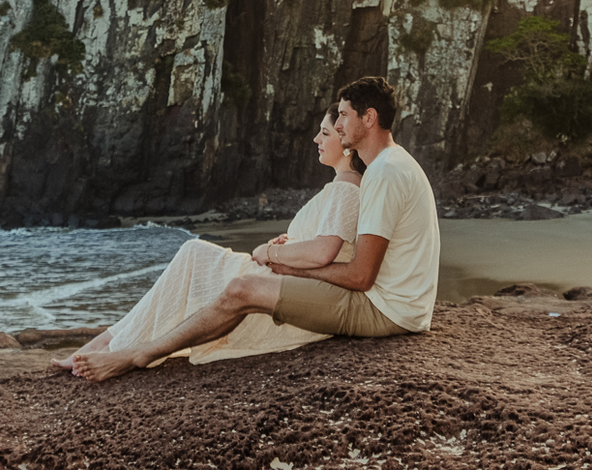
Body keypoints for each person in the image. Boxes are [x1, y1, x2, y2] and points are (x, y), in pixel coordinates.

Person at [72, 75, 440, 383]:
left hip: (385, 310)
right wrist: (293, 252)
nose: (338, 124)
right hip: (397, 305)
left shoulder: (386, 173)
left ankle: (137, 354)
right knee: (237, 281)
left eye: (343, 116)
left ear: (370, 118)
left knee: (242, 289)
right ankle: (129, 343)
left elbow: (361, 276)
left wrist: (285, 264)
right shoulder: (390, 166)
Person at [51, 104, 364, 373]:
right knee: (193, 254)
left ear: (346, 141)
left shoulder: (345, 188)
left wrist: (269, 251)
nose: (316, 139)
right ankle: (110, 341)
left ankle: (116, 346)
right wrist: (291, 244)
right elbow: (328, 245)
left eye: (325, 133)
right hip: (287, 280)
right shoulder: (342, 186)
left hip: (284, 291)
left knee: (193, 253)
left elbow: (325, 252)